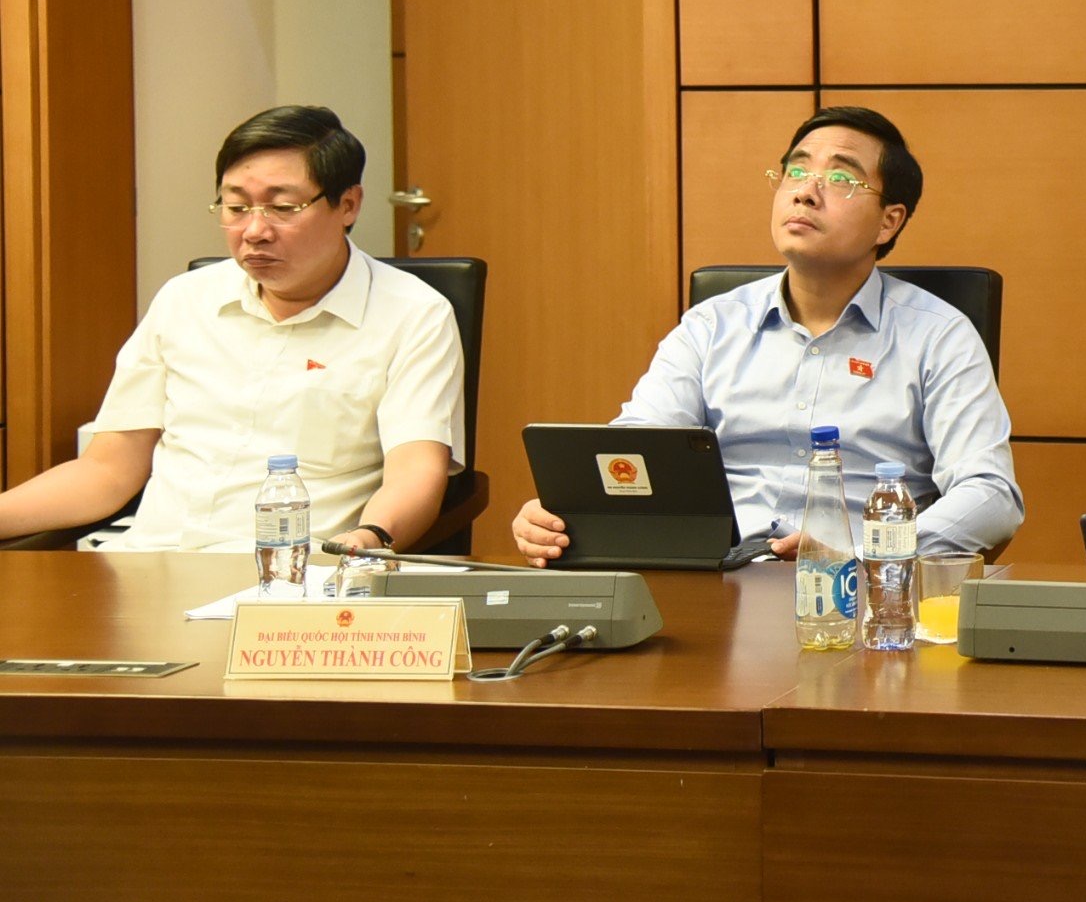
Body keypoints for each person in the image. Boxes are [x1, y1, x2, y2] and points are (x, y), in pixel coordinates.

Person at [510, 105, 1021, 564]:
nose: (804, 190)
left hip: (864, 595)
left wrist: (867, 553)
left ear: (889, 222)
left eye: (841, 179)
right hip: (715, 586)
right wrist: (566, 512)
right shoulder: (712, 326)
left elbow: (991, 495)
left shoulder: (938, 336)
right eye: (796, 170)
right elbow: (638, 450)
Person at [0, 105, 465, 553]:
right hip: (149, 567)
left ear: (348, 204)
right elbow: (106, 472)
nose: (255, 231)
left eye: (283, 207)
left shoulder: (413, 314)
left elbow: (414, 474)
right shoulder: (185, 300)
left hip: (295, 581)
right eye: (236, 207)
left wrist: (366, 540)